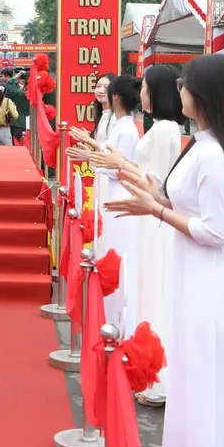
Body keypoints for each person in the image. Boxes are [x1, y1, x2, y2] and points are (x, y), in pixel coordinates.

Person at [107, 54, 224, 447]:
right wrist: (154, 192)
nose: (179, 91)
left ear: (204, 94)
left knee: (207, 386)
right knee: (192, 382)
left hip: (213, 283)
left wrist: (154, 209)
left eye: (186, 84)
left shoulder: (212, 154)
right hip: (194, 275)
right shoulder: (203, 144)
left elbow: (213, 231)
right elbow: (181, 198)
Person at [88, 64, 183, 406]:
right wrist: (115, 162)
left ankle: (155, 372)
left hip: (152, 216)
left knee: (153, 288)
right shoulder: (160, 128)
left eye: (145, 88)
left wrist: (119, 166)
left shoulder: (163, 131)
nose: (141, 94)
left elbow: (155, 182)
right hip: (148, 213)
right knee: (148, 286)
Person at [69, 74, 142, 335]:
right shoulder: (121, 125)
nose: (101, 92)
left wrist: (88, 153)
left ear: (116, 97)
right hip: (109, 189)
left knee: (115, 248)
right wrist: (91, 150)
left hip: (116, 191)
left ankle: (114, 315)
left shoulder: (124, 128)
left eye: (105, 88)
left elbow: (116, 167)